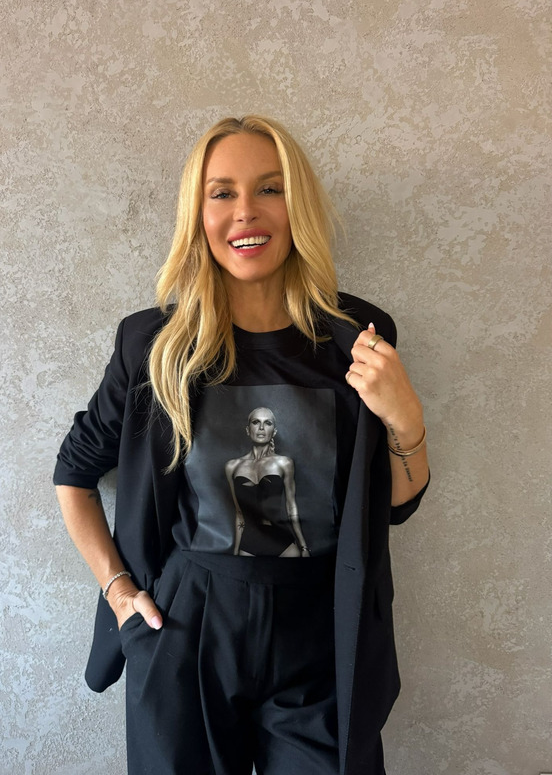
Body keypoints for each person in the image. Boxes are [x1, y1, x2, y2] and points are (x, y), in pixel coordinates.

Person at [54, 115, 430, 775]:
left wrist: (405, 418)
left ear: (297, 205)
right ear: (197, 215)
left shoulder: (356, 338)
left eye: (270, 189)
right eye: (222, 193)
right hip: (187, 628)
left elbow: (395, 503)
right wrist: (117, 590)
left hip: (319, 632)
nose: (245, 211)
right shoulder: (154, 347)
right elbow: (74, 473)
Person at [225, 406, 310, 557]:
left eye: (268, 423)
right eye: (256, 422)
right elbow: (239, 513)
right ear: (248, 430)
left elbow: (291, 507)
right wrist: (236, 551)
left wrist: (303, 547)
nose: (261, 427)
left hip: (280, 540)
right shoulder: (232, 466)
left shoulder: (284, 463)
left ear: (274, 432)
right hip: (250, 542)